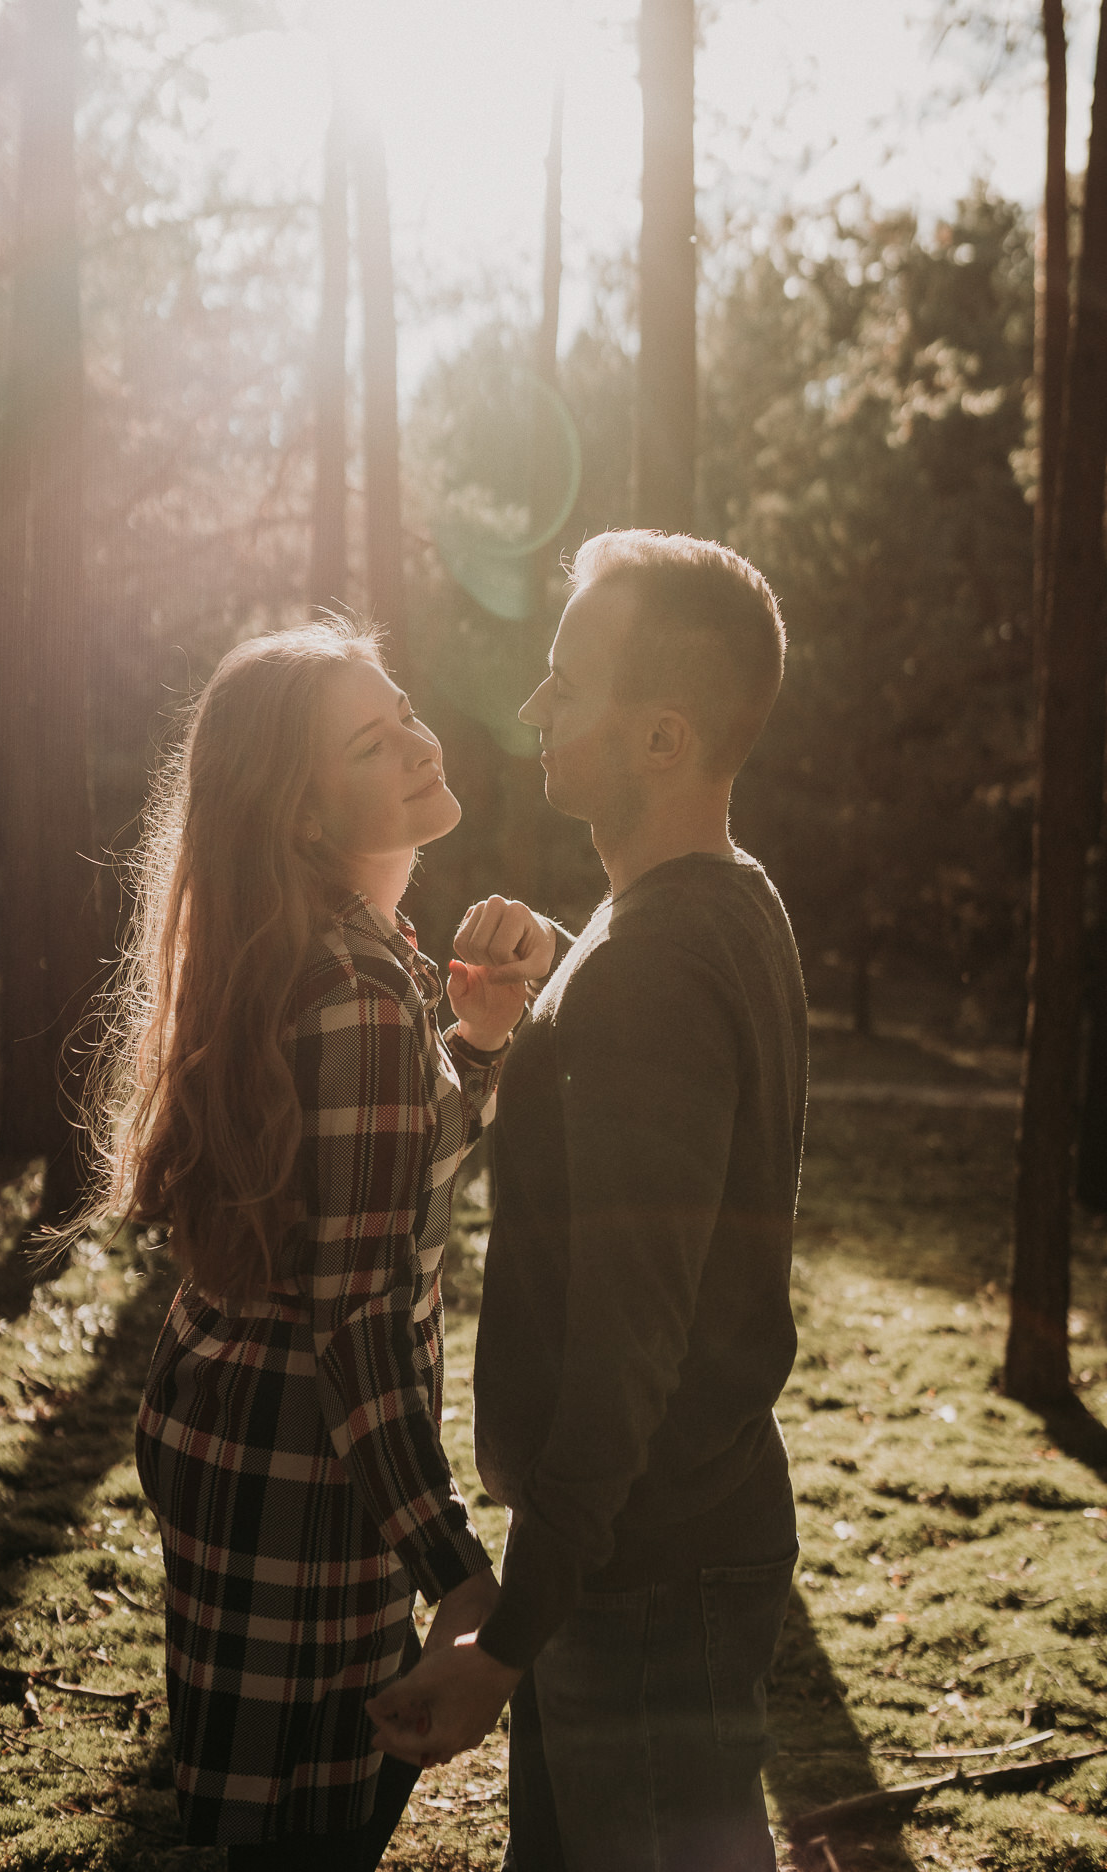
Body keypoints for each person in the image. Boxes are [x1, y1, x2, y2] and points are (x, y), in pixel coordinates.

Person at [369, 531, 808, 1872]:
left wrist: (511, 1632)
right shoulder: (727, 906)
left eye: (568, 680)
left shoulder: (647, 980)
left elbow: (630, 1342)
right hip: (647, 1554)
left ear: (665, 738)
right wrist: (553, 998)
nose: (534, 708)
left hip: (642, 1578)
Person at [91, 619, 550, 1868]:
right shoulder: (351, 987)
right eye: (369, 740)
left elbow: (370, 1191)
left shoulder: (351, 957)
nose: (415, 740)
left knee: (283, 1811)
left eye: (403, 708)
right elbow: (354, 1314)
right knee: (288, 1837)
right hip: (299, 1476)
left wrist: (476, 1046)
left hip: (255, 1443)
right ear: (300, 815)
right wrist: (458, 1570)